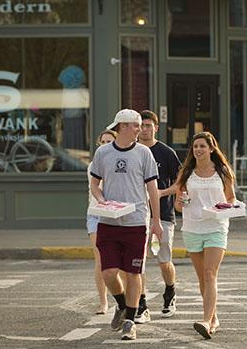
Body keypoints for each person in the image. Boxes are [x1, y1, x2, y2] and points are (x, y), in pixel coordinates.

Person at [89, 109, 163, 341]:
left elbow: (152, 190)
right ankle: (121, 305)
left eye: (140, 125)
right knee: (109, 272)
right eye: (136, 125)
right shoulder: (103, 153)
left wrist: (156, 221)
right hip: (108, 221)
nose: (140, 129)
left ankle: (130, 321)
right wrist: (102, 200)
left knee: (133, 272)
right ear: (122, 127)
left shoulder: (143, 153)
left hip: (135, 223)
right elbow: (94, 183)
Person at [174, 131, 236, 340]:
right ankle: (214, 318)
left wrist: (223, 208)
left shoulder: (222, 171)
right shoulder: (186, 172)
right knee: (202, 278)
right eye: (195, 147)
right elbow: (178, 205)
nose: (198, 150)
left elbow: (231, 198)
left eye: (202, 146)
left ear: (211, 149)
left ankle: (206, 320)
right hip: (192, 229)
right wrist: (181, 203)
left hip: (216, 227)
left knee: (210, 274)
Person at [134, 110, 181, 324]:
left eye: (147, 125)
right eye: (140, 125)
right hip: (136, 215)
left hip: (162, 215)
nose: (144, 129)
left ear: (156, 127)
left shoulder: (166, 153)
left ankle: (170, 293)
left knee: (163, 261)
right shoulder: (132, 151)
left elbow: (180, 182)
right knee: (138, 263)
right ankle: (141, 304)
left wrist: (161, 193)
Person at [87, 129, 117, 315]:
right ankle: (103, 302)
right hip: (96, 214)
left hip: (118, 214)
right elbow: (96, 188)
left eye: (109, 141)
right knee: (100, 259)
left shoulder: (121, 162)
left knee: (120, 261)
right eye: (103, 142)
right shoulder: (93, 165)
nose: (105, 145)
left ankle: (122, 299)